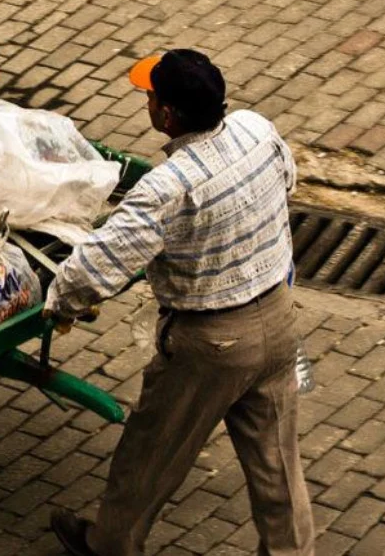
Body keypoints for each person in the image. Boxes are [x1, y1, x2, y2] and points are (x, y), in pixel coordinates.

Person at [45, 49, 314, 556]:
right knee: (277, 462)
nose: (147, 101)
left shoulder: (168, 188)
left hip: (209, 346)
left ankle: (110, 545)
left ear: (166, 115)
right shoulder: (256, 129)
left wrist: (59, 303)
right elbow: (287, 178)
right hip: (278, 319)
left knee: (151, 449)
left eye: (150, 96)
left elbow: (97, 265)